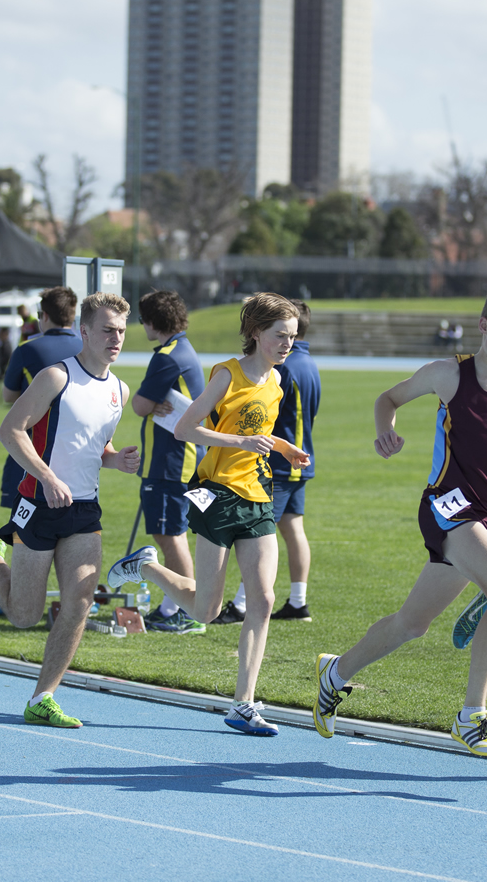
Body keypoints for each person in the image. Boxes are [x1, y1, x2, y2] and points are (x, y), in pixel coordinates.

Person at [311, 282, 487, 755]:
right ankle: (472, 718)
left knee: (411, 624)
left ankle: (335, 672)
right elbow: (388, 399)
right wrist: (387, 432)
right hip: (446, 505)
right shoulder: (448, 375)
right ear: (484, 326)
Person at [105, 293, 311, 737]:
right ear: (256, 333)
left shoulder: (277, 381)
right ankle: (145, 567)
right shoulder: (226, 375)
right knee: (206, 610)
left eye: (293, 337)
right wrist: (240, 444)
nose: (288, 344)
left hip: (257, 494)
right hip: (215, 493)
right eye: (280, 335)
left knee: (264, 600)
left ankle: (243, 703)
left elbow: (258, 431)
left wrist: (282, 447)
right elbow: (186, 429)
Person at [0, 292, 138, 728]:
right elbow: (9, 430)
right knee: (23, 616)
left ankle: (43, 697)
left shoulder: (119, 390)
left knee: (81, 601)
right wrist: (48, 477)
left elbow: (97, 447)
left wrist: (116, 460)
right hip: (37, 503)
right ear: (84, 331)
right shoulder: (57, 377)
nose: (116, 338)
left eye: (122, 331)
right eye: (108, 330)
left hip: (84, 509)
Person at [131, 289, 207, 634]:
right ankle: (172, 605)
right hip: (179, 459)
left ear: (151, 321)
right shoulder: (182, 349)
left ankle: (188, 610)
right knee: (170, 533)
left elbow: (140, 406)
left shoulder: (168, 356)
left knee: (169, 535)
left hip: (171, 461)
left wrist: (150, 402)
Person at [240, 298, 320, 622]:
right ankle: (298, 601)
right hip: (301, 458)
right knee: (293, 529)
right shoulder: (309, 363)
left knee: (259, 532)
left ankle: (241, 602)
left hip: (282, 461)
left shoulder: (283, 368)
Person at [0, 286, 80, 511]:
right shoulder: (87, 348)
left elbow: (8, 395)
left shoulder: (27, 349)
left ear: (43, 316)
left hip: (33, 452)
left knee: (24, 532)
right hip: (77, 454)